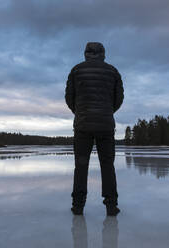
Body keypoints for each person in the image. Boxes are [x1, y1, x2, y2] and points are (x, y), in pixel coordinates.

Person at [65, 42, 124, 216]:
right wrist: (107, 111)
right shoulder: (112, 71)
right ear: (103, 53)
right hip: (105, 125)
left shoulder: (76, 70)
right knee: (107, 166)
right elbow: (119, 98)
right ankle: (111, 206)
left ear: (85, 53)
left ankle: (78, 206)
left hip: (83, 125)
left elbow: (69, 97)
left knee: (81, 166)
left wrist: (81, 112)